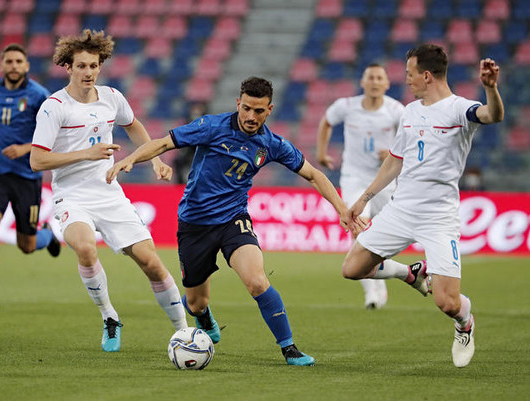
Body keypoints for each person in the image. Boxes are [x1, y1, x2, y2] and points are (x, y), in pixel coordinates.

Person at [106, 76, 363, 366]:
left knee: (256, 281)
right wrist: (131, 160)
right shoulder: (211, 127)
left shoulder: (273, 144)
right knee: (195, 303)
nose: (251, 117)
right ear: (238, 104)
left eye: (259, 111)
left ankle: (289, 348)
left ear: (270, 110)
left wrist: (342, 208)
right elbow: (164, 144)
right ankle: (205, 318)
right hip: (194, 224)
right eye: (247, 109)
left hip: (233, 219)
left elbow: (314, 174)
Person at [341, 44, 504, 368]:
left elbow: (492, 115)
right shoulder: (410, 112)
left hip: (438, 217)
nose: (407, 79)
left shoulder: (460, 110)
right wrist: (362, 200)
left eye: (410, 74)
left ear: (426, 76)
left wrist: (490, 89)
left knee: (447, 302)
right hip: (401, 210)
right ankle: (410, 273)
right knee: (352, 269)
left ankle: (465, 322)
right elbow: (394, 162)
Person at [29, 30, 187, 352]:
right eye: (82, 66)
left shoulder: (112, 97)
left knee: (151, 262)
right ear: (68, 67)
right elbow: (37, 160)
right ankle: (109, 317)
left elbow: (134, 126)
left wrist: (154, 160)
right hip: (71, 195)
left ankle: (184, 332)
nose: (88, 72)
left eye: (94, 66)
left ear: (101, 66)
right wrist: (84, 154)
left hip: (109, 193)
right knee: (86, 248)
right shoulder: (54, 107)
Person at [0, 43, 61, 311]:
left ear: (27, 65)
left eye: (19, 61)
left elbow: (52, 134)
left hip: (27, 176)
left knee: (27, 245)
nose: (14, 66)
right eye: (9, 61)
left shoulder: (39, 95)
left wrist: (26, 148)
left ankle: (47, 236)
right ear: (2, 65)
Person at [316, 63, 406, 310]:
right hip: (354, 178)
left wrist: (392, 153)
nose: (375, 82)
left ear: (387, 84)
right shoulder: (347, 106)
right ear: (363, 82)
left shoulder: (396, 110)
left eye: (380, 78)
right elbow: (326, 122)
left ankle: (378, 271)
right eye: (371, 77)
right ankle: (372, 291)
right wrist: (322, 154)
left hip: (385, 181)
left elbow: (412, 138)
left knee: (389, 234)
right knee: (358, 227)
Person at [173, 102, 207, 184]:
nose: (196, 112)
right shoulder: (188, 121)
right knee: (178, 161)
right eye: (194, 109)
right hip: (190, 148)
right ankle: (180, 184)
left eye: (198, 109)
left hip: (203, 149)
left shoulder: (207, 122)